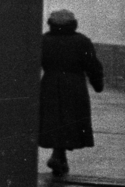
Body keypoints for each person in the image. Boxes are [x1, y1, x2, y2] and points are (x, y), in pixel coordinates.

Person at [39, 9, 105, 175]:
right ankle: (59, 156)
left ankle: (58, 155)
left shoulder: (43, 40)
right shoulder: (82, 41)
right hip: (74, 85)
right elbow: (93, 65)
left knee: (53, 119)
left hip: (50, 83)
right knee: (70, 121)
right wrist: (98, 84)